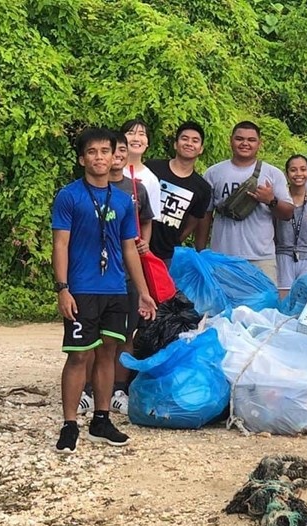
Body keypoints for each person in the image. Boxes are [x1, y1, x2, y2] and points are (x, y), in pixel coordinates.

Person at [51, 128, 157, 453]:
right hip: (81, 288)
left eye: (105, 151)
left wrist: (142, 291)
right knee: (79, 355)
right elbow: (61, 243)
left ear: (116, 157)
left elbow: (129, 249)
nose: (99, 157)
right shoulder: (69, 196)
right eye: (92, 152)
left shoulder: (125, 201)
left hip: (115, 287)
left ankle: (101, 419)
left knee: (110, 351)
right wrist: (62, 288)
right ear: (82, 158)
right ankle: (70, 424)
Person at [77, 133, 155, 416]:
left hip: (123, 276)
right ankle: (87, 391)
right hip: (90, 278)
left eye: (119, 150)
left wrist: (143, 286)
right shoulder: (79, 193)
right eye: (113, 149)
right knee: (89, 339)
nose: (115, 155)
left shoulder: (134, 191)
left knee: (122, 335)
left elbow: (144, 224)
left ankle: (118, 390)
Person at [195, 121, 293, 284]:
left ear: (259, 143)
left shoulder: (273, 173)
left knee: (264, 309)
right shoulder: (213, 173)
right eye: (239, 139)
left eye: (251, 140)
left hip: (261, 259)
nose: (245, 143)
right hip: (221, 258)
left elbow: (288, 213)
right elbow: (204, 215)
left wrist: (271, 200)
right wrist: (202, 253)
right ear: (231, 140)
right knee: (221, 308)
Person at [145, 121, 211, 266]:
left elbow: (192, 223)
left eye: (195, 141)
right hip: (138, 246)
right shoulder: (152, 168)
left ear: (201, 149)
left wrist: (174, 242)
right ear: (176, 144)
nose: (189, 143)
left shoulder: (202, 188)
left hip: (167, 255)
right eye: (184, 138)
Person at [275, 155, 307, 297]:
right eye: (293, 170)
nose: (298, 174)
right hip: (282, 257)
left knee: (304, 302)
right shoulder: (279, 203)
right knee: (283, 302)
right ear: (286, 174)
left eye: (303, 169)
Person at [121, 119, 161, 219]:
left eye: (142, 134)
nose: (136, 138)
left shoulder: (151, 179)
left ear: (147, 143)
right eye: (131, 133)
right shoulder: (109, 170)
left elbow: (150, 220)